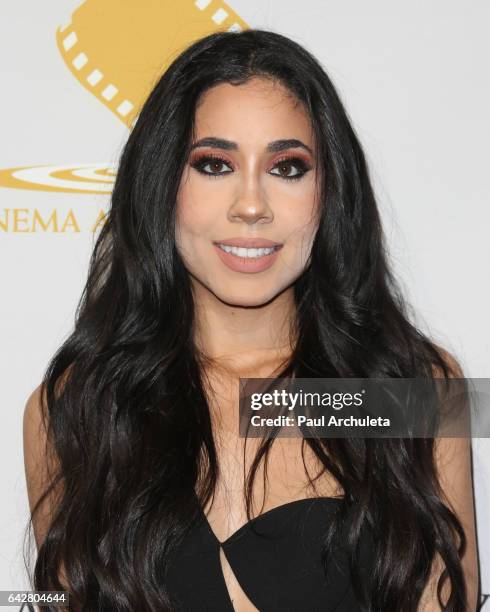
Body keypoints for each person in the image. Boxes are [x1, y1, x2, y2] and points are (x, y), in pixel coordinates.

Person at [23, 29, 479, 611]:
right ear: (161, 184)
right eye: (214, 164)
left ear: (330, 191)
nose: (252, 205)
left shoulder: (417, 389)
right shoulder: (76, 407)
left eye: (288, 167)